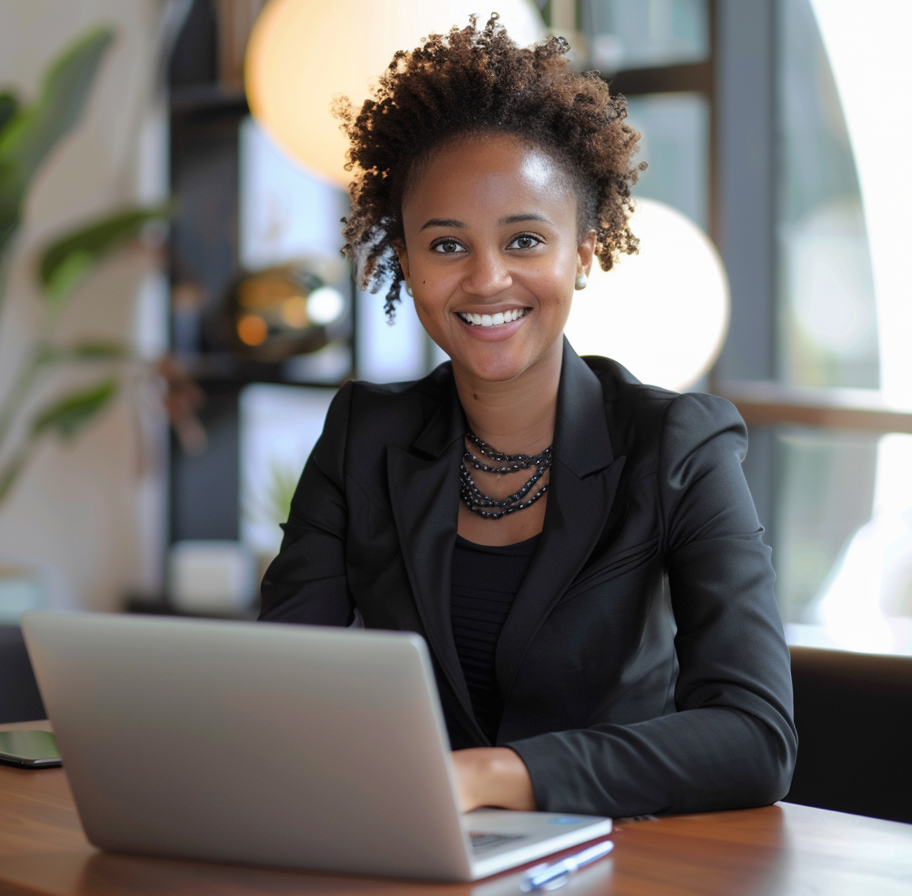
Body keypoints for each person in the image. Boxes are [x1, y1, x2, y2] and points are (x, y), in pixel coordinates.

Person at [259, 15, 796, 819]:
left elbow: (755, 738)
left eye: (524, 240)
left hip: (622, 861)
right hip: (412, 851)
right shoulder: (363, 435)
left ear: (581, 252)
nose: (485, 280)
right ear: (404, 258)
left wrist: (489, 776)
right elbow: (281, 681)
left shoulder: (678, 446)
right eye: (445, 247)